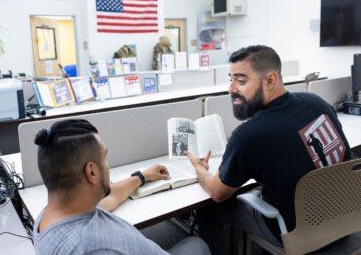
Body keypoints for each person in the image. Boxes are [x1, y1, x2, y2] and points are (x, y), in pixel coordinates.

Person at [186, 45, 351, 254]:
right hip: (344, 220)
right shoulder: (317, 103)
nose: (230, 88)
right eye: (231, 78)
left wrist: (200, 170)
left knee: (209, 207)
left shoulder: (249, 135)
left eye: (241, 80)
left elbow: (218, 192)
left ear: (270, 80)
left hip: (298, 236)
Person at [32, 119, 210, 255]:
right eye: (104, 158)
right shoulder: (94, 248)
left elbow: (111, 198)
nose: (107, 164)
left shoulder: (53, 215)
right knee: (197, 244)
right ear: (92, 172)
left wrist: (142, 176)